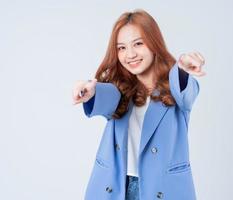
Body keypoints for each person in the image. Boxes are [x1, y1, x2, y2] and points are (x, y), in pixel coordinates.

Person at [72, 9, 206, 200]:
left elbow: (186, 91)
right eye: (122, 48)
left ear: (154, 44)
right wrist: (90, 92)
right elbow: (105, 96)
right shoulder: (120, 91)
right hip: (116, 186)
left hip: (161, 189)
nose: (130, 54)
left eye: (138, 44)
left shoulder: (175, 91)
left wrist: (182, 69)